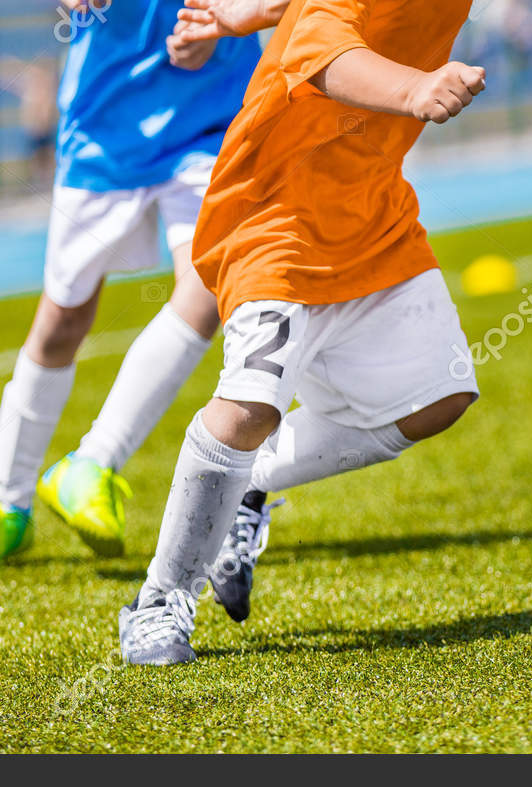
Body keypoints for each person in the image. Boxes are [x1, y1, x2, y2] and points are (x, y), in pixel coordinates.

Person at [118, 0, 486, 665]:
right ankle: (160, 599)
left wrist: (244, 14)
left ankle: (247, 484)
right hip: (275, 215)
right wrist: (416, 89)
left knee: (440, 398)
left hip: (372, 210)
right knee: (250, 407)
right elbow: (320, 51)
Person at [0, 0, 261, 573]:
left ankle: (92, 463)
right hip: (109, 126)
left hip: (213, 114)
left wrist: (232, 18)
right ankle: (7, 509)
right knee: (63, 322)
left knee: (213, 279)